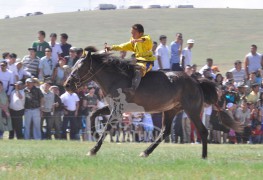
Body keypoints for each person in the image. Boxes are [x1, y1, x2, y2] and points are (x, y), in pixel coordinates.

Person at [105, 24, 156, 95]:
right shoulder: (133, 42)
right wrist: (111, 48)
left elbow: (144, 40)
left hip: (147, 62)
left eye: (134, 33)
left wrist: (137, 40)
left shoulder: (147, 38)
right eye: (131, 33)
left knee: (138, 70)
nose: (132, 35)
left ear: (140, 33)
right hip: (137, 61)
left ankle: (133, 89)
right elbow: (123, 46)